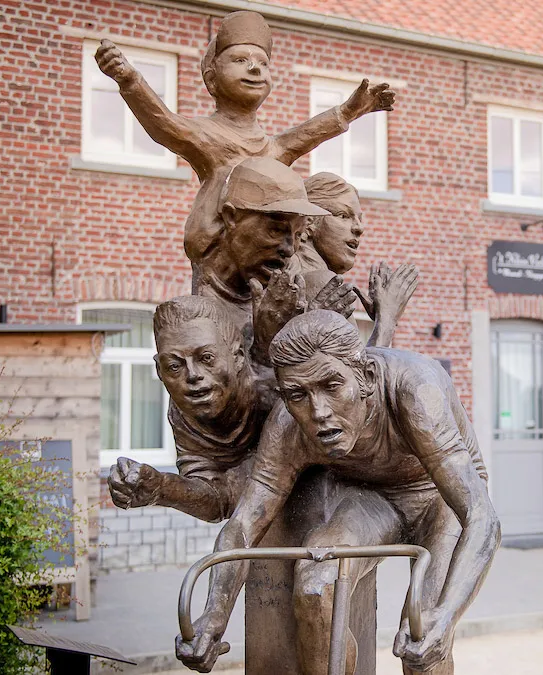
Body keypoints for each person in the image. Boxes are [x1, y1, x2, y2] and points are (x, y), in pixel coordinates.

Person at [175, 311, 500, 675]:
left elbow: (481, 517)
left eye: (331, 386)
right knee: (316, 588)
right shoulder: (288, 424)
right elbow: (244, 523)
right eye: (298, 394)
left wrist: (447, 614)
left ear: (366, 377)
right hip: (371, 497)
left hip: (441, 496)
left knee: (422, 631)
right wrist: (214, 615)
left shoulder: (415, 391)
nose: (319, 412)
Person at [93, 11, 395, 295]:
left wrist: (349, 110)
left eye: (263, 63)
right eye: (240, 60)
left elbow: (306, 135)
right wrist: (130, 80)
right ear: (212, 78)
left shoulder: (271, 148)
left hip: (267, 266)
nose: (254, 68)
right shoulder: (207, 136)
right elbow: (165, 124)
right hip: (219, 269)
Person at [108, 295, 270, 523]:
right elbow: (217, 502)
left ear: (238, 357)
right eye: (174, 366)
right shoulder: (185, 413)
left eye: (206, 358)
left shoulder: (278, 387)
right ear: (159, 371)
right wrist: (163, 488)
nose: (193, 375)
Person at [303, 172, 419, 347]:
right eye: (343, 215)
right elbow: (360, 366)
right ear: (309, 222)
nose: (359, 228)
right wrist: (387, 319)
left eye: (359, 219)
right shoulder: (320, 282)